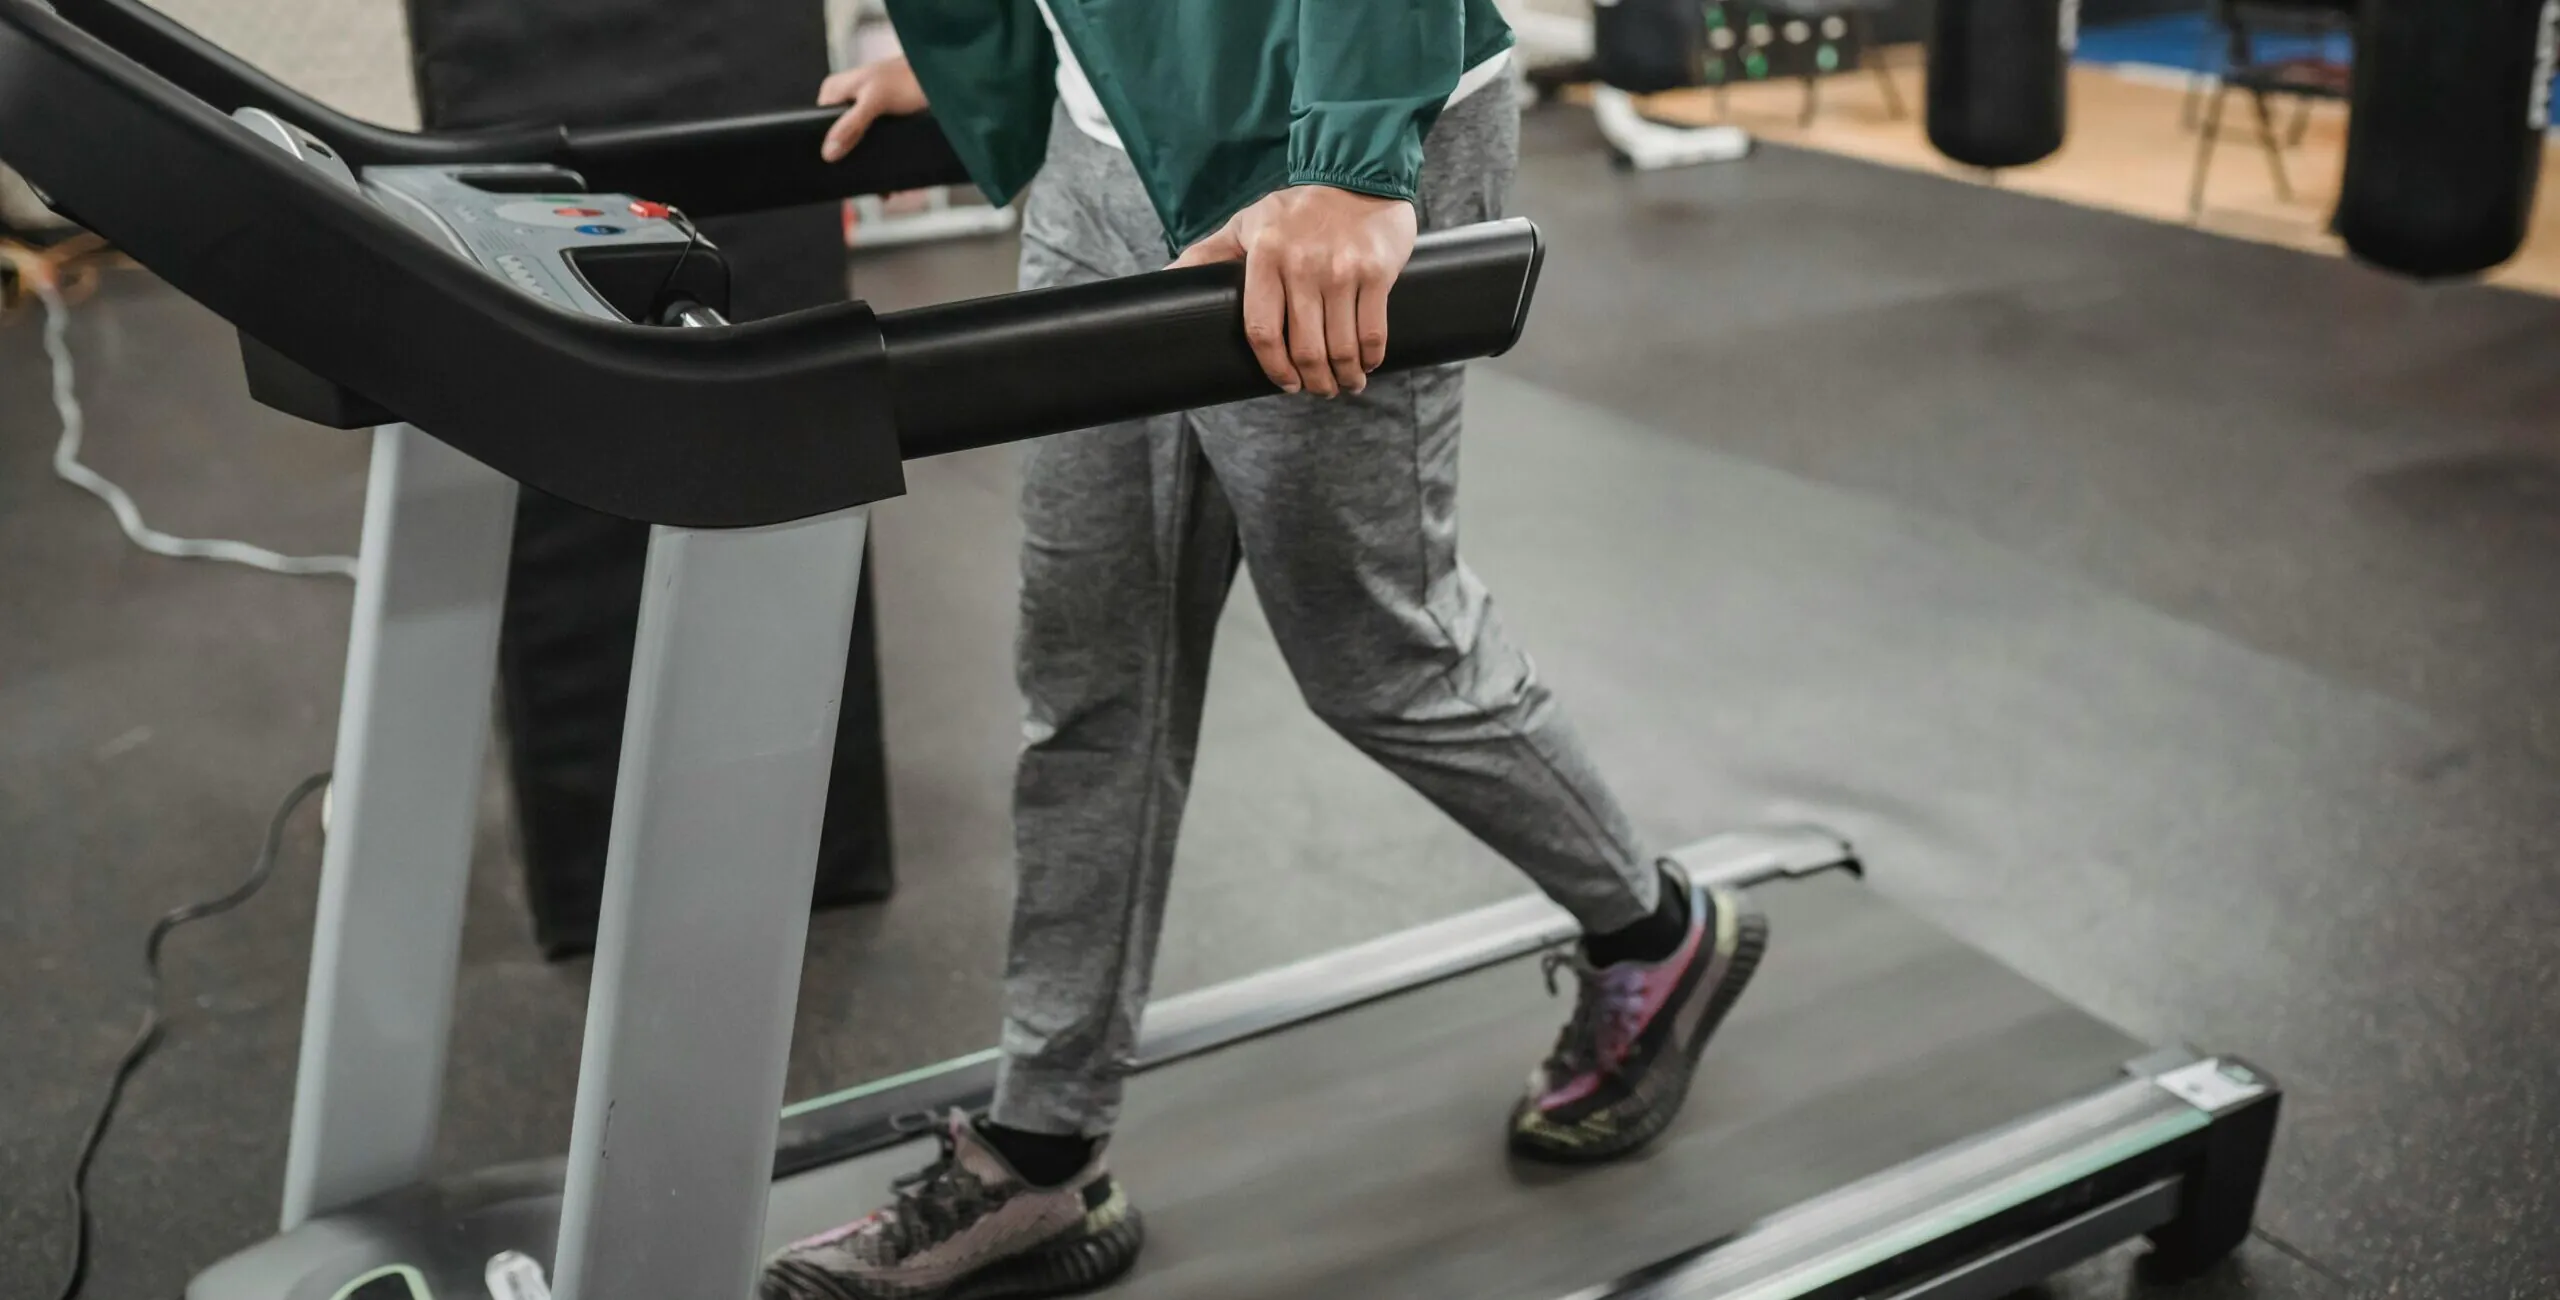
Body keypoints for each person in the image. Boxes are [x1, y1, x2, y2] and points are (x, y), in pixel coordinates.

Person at [761, 4, 1769, 1297]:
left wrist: (1355, 159)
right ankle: (1040, 1153)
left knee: (1377, 654)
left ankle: (1655, 931)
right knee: (1087, 668)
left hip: (1313, 152)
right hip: (1104, 147)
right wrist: (1006, 43)